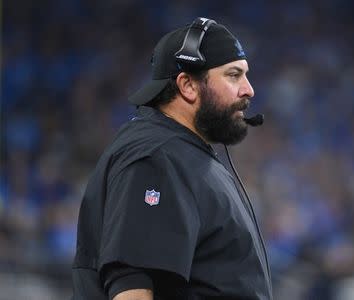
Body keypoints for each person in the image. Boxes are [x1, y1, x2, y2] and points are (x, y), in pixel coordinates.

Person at [72, 17, 272, 300]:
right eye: (233, 75)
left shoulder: (185, 155)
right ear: (188, 86)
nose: (248, 89)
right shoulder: (156, 157)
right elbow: (133, 290)